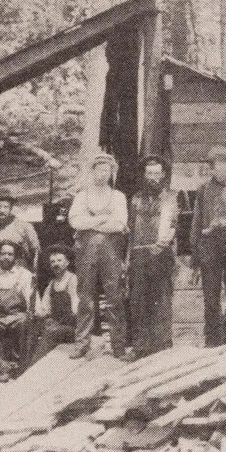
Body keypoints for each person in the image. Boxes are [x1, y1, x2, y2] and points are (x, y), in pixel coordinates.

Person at [68, 152, 129, 360]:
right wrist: (103, 219)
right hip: (85, 254)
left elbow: (119, 224)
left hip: (111, 254)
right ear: (92, 171)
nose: (102, 174)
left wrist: (92, 221)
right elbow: (75, 222)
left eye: (107, 170)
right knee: (85, 298)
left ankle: (118, 344)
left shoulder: (118, 197)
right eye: (99, 170)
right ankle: (82, 343)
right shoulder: (82, 196)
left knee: (115, 297)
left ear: (112, 173)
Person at [188, 145, 226, 347]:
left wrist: (222, 223)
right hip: (210, 250)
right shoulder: (203, 190)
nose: (218, 170)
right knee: (211, 297)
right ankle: (213, 340)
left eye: (223, 166)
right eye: (215, 167)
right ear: (211, 168)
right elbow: (197, 224)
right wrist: (195, 258)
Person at [127, 156, 179, 359]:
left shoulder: (171, 198)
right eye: (149, 174)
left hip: (162, 255)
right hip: (139, 255)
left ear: (163, 175)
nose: (153, 178)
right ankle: (141, 346)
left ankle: (163, 345)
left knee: (162, 299)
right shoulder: (135, 199)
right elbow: (130, 229)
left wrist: (165, 242)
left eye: (157, 173)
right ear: (144, 175)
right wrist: (128, 257)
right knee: (139, 300)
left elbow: (174, 225)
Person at [0, 241, 36, 383]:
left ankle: (19, 364)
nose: (6, 257)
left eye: (10, 254)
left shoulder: (24, 275)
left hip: (18, 315)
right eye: (3, 254)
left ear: (15, 257)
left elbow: (31, 298)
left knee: (23, 323)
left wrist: (33, 313)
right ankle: (2, 367)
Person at [30, 246, 80, 363]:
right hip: (56, 325)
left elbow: (76, 305)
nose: (55, 264)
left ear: (67, 263)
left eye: (59, 261)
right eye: (52, 262)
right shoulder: (52, 284)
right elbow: (45, 309)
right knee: (31, 329)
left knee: (51, 332)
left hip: (72, 327)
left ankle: (33, 365)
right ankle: (25, 365)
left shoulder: (72, 280)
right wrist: (36, 314)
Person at [0, 189, 40, 273]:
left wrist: (34, 274)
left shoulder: (24, 227)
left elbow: (36, 253)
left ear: (11, 208)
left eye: (6, 207)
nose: (2, 210)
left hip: (18, 278)